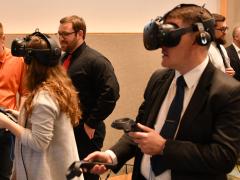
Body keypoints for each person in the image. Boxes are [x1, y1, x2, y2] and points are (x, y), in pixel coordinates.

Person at [85, 4, 240, 180]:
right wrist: (112, 155)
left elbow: (224, 157)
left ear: (200, 38)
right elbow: (142, 129)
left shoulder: (228, 92)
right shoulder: (159, 79)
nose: (162, 45)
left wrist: (165, 147)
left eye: (170, 36)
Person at [0, 32, 84, 180]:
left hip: (51, 173)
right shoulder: (54, 87)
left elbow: (38, 142)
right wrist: (19, 116)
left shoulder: (44, 98)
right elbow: (43, 123)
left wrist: (6, 122)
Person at [58, 15, 120, 180]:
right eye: (59, 34)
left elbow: (111, 93)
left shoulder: (96, 61)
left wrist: (91, 123)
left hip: (86, 131)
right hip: (66, 129)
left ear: (80, 34)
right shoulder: (61, 58)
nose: (61, 38)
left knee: (86, 177)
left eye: (65, 34)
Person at [0, 22, 28, 180]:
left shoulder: (17, 60)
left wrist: (20, 119)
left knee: (5, 174)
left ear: (3, 39)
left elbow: (24, 92)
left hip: (7, 129)